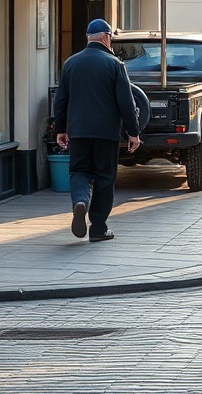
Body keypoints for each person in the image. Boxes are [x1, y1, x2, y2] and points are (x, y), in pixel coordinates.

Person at [54, 19, 141, 243]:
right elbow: (126, 102)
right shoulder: (115, 64)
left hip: (78, 131)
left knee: (79, 171)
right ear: (105, 37)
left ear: (88, 38)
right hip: (106, 132)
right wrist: (133, 132)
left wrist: (61, 129)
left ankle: (80, 201)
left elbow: (61, 100)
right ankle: (98, 227)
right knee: (105, 176)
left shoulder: (70, 63)